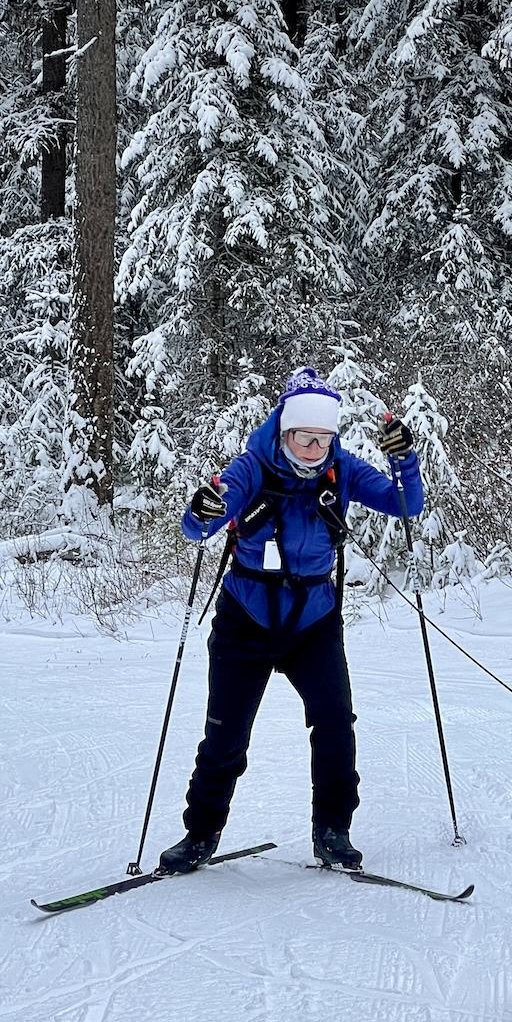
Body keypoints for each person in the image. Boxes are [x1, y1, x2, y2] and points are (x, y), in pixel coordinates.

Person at [158, 367, 421, 875]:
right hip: (246, 619)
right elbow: (197, 528)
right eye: (304, 437)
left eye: (323, 437)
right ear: (285, 432)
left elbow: (406, 503)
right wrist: (205, 509)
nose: (313, 448)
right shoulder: (252, 468)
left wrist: (404, 460)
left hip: (313, 622)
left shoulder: (342, 470)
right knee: (226, 734)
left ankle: (333, 833)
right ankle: (200, 834)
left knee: (335, 724)